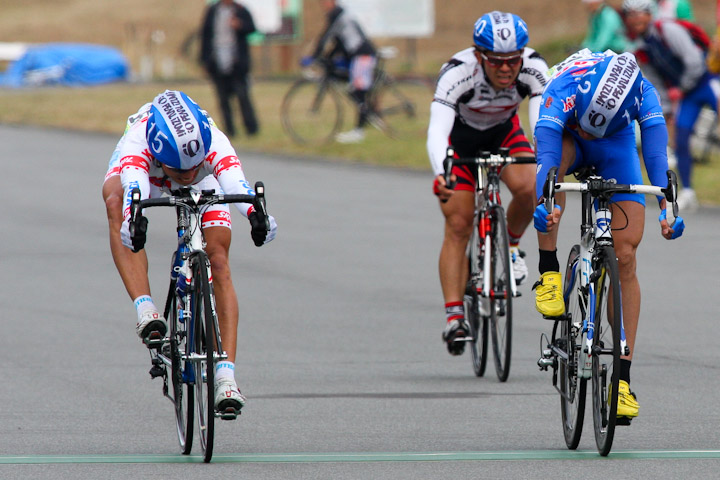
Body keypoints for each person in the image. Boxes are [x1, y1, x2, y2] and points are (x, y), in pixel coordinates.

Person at [102, 90, 277, 415]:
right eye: (178, 170)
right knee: (113, 198)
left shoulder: (214, 142)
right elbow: (133, 192)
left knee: (219, 260)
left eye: (190, 169)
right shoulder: (139, 142)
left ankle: (226, 376)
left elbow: (237, 186)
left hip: (206, 182)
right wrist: (133, 220)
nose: (184, 176)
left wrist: (256, 215)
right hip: (150, 177)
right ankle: (146, 309)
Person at [532, 49, 685, 419]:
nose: (589, 129)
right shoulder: (564, 86)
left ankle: (622, 382)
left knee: (626, 255)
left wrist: (668, 203)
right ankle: (549, 272)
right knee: (552, 188)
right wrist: (544, 202)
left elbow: (655, 155)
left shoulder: (643, 92)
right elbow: (548, 159)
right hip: (564, 134)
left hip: (616, 144)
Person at [428, 11, 549, 356]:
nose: (507, 68)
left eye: (513, 60)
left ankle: (510, 245)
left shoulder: (534, 67)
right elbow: (437, 130)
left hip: (503, 134)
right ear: (480, 56)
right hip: (459, 143)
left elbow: (541, 123)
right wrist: (443, 172)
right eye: (497, 62)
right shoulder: (457, 72)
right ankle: (455, 318)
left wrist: (546, 161)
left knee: (532, 186)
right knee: (459, 222)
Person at [623, 0, 718, 212]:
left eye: (640, 13)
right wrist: (664, 108)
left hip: (708, 80)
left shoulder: (668, 29)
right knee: (681, 138)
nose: (636, 19)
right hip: (687, 94)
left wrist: (681, 88)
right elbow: (656, 82)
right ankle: (689, 192)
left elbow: (694, 60)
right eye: (631, 15)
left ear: (650, 14)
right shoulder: (640, 48)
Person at [303, 0, 377, 144]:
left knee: (359, 92)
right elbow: (338, 42)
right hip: (356, 55)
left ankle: (359, 131)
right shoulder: (342, 15)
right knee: (353, 88)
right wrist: (325, 57)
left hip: (362, 55)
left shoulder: (336, 15)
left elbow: (325, 38)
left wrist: (313, 57)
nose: (323, 5)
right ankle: (365, 115)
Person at [200, 0, 259, 138]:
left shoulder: (240, 10)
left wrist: (240, 25)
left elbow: (252, 28)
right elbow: (205, 35)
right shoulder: (213, 11)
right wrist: (204, 60)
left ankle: (251, 128)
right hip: (218, 62)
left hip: (236, 63)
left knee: (243, 96)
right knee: (223, 99)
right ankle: (229, 130)